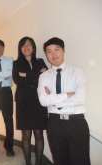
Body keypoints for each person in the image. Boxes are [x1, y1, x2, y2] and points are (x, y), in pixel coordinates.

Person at [37, 37, 91, 165]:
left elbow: (80, 99)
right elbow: (43, 101)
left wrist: (53, 99)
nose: (53, 54)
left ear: (64, 50)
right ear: (46, 54)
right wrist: (66, 95)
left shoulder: (77, 71)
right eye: (49, 51)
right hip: (54, 124)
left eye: (57, 49)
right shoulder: (44, 76)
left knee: (81, 161)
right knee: (60, 160)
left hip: (76, 123)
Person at [12, 37, 48, 165]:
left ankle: (38, 163)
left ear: (33, 47)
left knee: (39, 134)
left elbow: (46, 77)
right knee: (26, 135)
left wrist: (26, 74)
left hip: (39, 101)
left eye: (29, 45)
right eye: (23, 45)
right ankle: (28, 163)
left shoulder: (40, 61)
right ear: (20, 48)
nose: (26, 48)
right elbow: (17, 80)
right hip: (23, 102)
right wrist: (37, 74)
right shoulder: (16, 64)